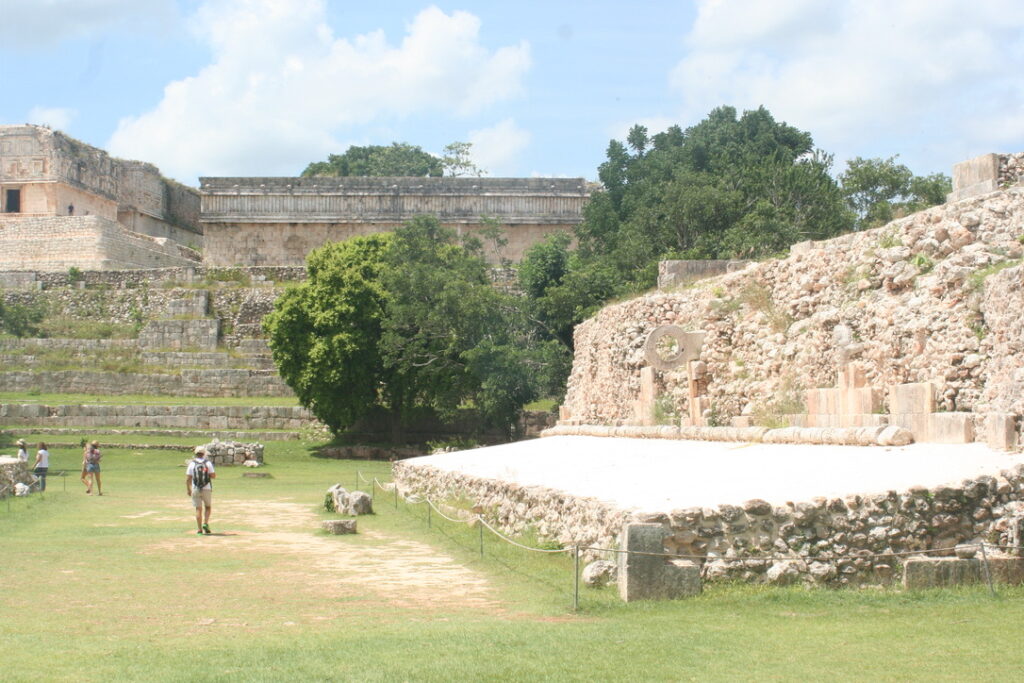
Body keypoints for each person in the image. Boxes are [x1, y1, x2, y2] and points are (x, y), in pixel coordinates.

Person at [186, 446, 216, 535]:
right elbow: (213, 476)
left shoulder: (192, 464)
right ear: (203, 454)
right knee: (208, 507)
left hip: (195, 488)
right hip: (207, 488)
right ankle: (205, 523)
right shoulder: (208, 463)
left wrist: (188, 489)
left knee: (198, 509)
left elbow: (188, 478)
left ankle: (199, 530)